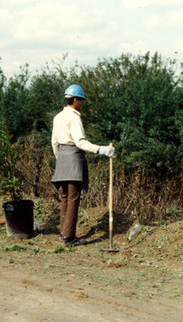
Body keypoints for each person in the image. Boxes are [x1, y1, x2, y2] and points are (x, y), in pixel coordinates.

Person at [51, 84, 115, 246]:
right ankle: (69, 237)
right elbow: (80, 142)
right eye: (81, 101)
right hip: (73, 158)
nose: (82, 104)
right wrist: (102, 150)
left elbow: (54, 142)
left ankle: (63, 232)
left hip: (62, 159)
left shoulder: (57, 117)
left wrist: (60, 159)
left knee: (65, 197)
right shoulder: (74, 117)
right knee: (73, 198)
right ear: (75, 100)